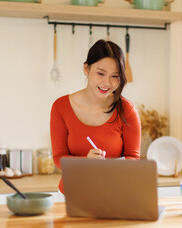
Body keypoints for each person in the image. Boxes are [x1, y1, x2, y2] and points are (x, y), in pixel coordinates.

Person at [50, 39, 141, 194]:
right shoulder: (60, 107)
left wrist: (107, 166)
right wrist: (87, 162)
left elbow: (133, 158)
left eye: (115, 76)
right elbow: (59, 158)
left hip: (114, 195)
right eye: (100, 74)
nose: (107, 83)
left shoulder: (127, 110)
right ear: (86, 68)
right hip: (71, 194)